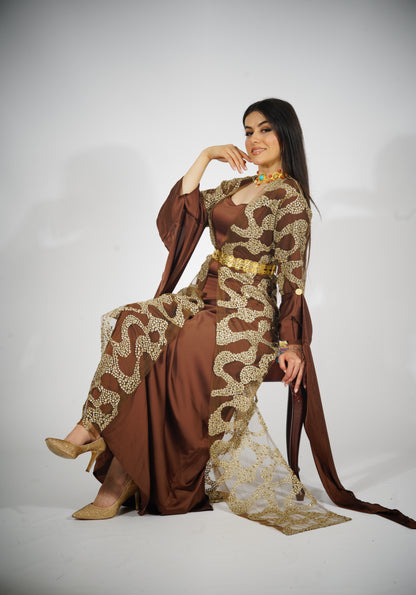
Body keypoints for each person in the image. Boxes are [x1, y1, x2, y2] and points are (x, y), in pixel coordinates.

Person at [46, 98, 416, 535]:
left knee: (175, 351)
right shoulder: (236, 186)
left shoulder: (290, 199)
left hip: (245, 314)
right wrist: (204, 156)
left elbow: (294, 279)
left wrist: (293, 343)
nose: (254, 139)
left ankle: (119, 480)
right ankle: (90, 426)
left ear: (286, 136)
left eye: (265, 129)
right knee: (134, 322)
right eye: (247, 131)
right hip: (201, 296)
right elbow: (179, 218)